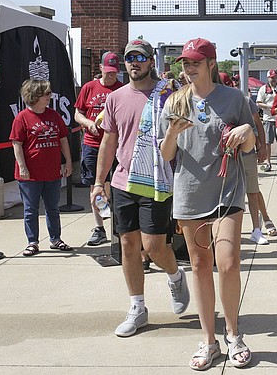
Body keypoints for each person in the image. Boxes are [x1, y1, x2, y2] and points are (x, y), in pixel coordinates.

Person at [160, 38, 256, 370]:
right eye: (185, 63)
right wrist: (172, 132)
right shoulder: (174, 101)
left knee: (228, 263)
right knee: (200, 267)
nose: (188, 68)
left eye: (195, 62)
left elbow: (251, 146)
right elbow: (166, 154)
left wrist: (246, 128)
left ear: (211, 64)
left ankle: (233, 334)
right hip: (189, 193)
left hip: (228, 191)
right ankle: (209, 340)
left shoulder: (234, 98)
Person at [91, 38, 190, 338]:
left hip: (157, 181)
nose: (134, 62)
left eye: (140, 57)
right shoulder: (116, 98)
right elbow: (109, 141)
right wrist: (99, 181)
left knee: (154, 246)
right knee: (128, 246)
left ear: (150, 62)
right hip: (123, 182)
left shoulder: (169, 95)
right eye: (129, 58)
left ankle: (175, 275)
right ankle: (138, 307)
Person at [11, 79, 74, 257]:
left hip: (52, 171)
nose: (49, 96)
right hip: (30, 173)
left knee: (52, 207)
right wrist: (22, 167)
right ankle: (32, 242)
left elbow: (63, 139)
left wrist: (68, 161)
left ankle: (56, 239)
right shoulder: (22, 118)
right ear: (35, 96)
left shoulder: (54, 115)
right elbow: (16, 144)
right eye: (46, 94)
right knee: (31, 209)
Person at [74, 51, 124, 246]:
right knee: (95, 186)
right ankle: (99, 227)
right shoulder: (89, 87)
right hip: (93, 145)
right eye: (107, 71)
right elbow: (78, 113)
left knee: (114, 186)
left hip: (117, 146)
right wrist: (88, 123)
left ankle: (116, 226)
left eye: (114, 72)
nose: (110, 75)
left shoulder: (122, 90)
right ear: (100, 68)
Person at [222, 72, 275, 244]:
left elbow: (257, 123)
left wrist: (261, 146)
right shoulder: (210, 101)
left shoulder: (243, 100)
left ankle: (257, 228)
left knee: (252, 190)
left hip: (246, 153)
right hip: (225, 156)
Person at [256, 69, 277, 172]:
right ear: (268, 78)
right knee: (268, 142)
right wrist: (269, 106)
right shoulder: (263, 89)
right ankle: (268, 162)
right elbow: (258, 102)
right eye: (272, 77)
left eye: (275, 77)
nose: (274, 79)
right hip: (269, 119)